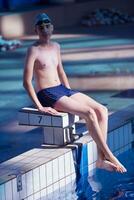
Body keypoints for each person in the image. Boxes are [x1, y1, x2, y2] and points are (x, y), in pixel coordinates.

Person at [23, 13, 127, 173]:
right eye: (41, 27)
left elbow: (61, 71)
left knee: (102, 110)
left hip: (62, 90)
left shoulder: (56, 46)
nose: (44, 29)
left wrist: (69, 94)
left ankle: (100, 159)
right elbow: (26, 82)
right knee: (89, 113)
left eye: (47, 26)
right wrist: (39, 106)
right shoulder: (33, 50)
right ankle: (109, 154)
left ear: (52, 28)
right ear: (36, 30)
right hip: (47, 93)